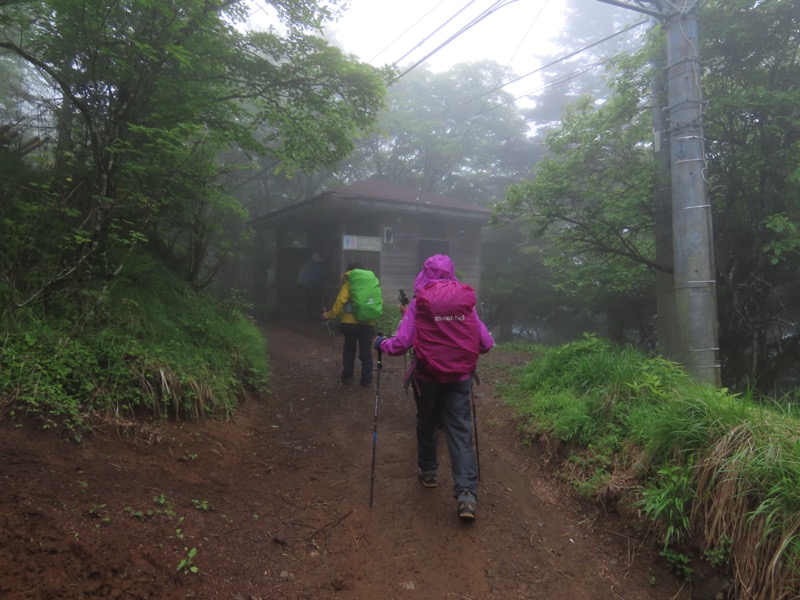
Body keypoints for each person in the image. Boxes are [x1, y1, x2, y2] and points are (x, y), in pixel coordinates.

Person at [374, 254, 493, 521]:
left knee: (427, 422)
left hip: (427, 377)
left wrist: (380, 343)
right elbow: (485, 343)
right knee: (460, 431)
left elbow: (401, 343)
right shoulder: (465, 302)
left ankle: (428, 472)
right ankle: (466, 495)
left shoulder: (420, 302)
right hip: (460, 378)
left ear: (424, 273)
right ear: (452, 273)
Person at [322, 262, 375, 387]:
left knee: (349, 349)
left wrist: (330, 315)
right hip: (368, 323)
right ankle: (366, 379)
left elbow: (341, 300)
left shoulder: (350, 282)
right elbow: (378, 301)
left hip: (350, 323)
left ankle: (348, 376)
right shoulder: (372, 282)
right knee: (366, 352)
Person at [297, 252, 324, 320]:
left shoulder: (307, 265)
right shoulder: (318, 267)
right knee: (315, 301)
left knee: (310, 301)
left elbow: (301, 274)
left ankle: (310, 315)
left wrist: (299, 282)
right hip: (315, 286)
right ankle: (313, 315)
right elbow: (321, 276)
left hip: (309, 286)